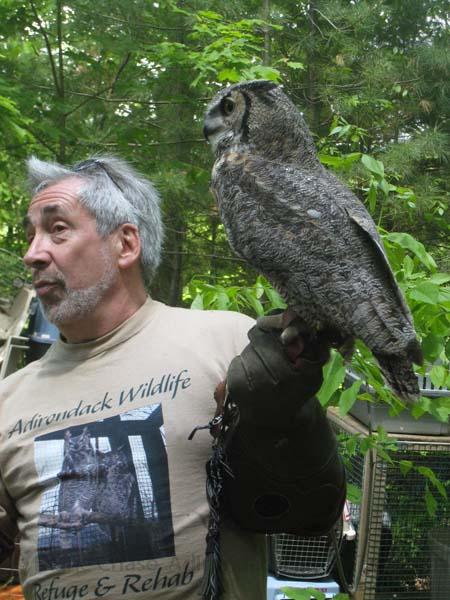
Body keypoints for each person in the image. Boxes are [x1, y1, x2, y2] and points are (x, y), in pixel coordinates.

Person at [0, 156, 345, 600]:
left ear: (125, 244)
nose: (32, 253)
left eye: (57, 229)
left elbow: (315, 514)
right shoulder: (9, 397)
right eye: (30, 236)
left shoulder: (227, 340)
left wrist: (292, 422)